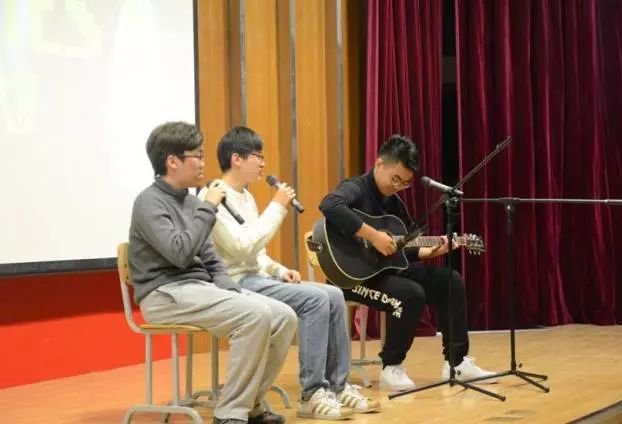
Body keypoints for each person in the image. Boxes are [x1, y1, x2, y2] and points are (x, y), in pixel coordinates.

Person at [198, 126, 380, 420]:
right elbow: (242, 249)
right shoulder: (214, 195)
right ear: (236, 159)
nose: (263, 163)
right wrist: (277, 208)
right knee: (314, 300)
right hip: (234, 283)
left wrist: (279, 269)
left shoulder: (246, 197)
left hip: (257, 277)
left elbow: (256, 254)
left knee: (333, 294)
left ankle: (338, 386)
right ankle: (311, 393)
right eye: (257, 156)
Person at [128, 122, 297, 424]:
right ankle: (230, 413)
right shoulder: (149, 202)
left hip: (198, 289)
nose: (204, 163)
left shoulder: (192, 201)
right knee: (255, 315)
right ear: (172, 161)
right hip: (163, 294)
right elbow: (180, 253)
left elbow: (210, 258)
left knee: (284, 316)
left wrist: (230, 289)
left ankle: (251, 404)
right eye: (197, 156)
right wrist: (208, 209)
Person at [319, 134, 496, 391]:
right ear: (379, 164)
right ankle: (391, 366)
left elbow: (406, 250)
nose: (399, 186)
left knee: (450, 280)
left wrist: (430, 251)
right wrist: (373, 236)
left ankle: (457, 362)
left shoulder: (396, 203)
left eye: (405, 183)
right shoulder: (356, 188)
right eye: (395, 179)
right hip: (351, 277)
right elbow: (329, 205)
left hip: (385, 272)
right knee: (411, 294)